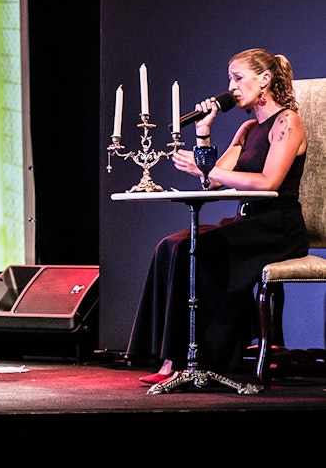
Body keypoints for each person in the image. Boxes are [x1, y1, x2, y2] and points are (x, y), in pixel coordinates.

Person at [127, 48, 308, 384]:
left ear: (265, 79)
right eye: (230, 78)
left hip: (277, 226)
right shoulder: (247, 128)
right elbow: (212, 177)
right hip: (248, 222)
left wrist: (205, 170)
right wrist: (203, 129)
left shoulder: (287, 121)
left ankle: (205, 357)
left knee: (197, 250)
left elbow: (268, 182)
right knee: (172, 245)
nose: (232, 86)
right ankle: (172, 358)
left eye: (238, 78)